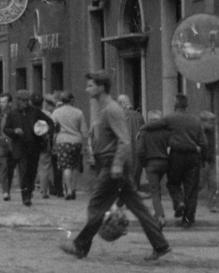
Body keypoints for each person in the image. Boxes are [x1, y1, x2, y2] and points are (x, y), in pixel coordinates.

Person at [61, 70, 171, 261]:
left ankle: (80, 246)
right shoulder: (103, 109)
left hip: (112, 165)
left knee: (96, 205)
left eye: (90, 86)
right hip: (111, 164)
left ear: (101, 87)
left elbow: (124, 140)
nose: (87, 90)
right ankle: (160, 245)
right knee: (137, 207)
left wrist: (117, 165)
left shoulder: (112, 109)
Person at [163, 93, 207, 228]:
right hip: (193, 156)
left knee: (173, 183)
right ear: (187, 106)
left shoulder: (169, 119)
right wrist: (203, 159)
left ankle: (179, 201)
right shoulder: (196, 120)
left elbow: (158, 131)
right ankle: (188, 220)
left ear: (175, 105)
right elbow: (204, 142)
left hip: (176, 155)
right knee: (191, 189)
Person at [2, 92, 52, 206]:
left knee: (32, 172)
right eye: (23, 101)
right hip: (20, 147)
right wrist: (14, 131)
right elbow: (6, 129)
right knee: (23, 172)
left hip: (34, 146)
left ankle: (29, 191)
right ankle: (26, 197)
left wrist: (46, 132)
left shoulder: (35, 111)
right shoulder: (13, 113)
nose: (25, 103)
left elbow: (49, 122)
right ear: (18, 101)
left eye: (27, 101)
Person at [139, 108, 172, 224]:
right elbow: (170, 147)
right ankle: (157, 212)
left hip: (151, 164)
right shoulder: (166, 132)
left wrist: (144, 163)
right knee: (158, 189)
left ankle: (160, 216)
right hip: (164, 163)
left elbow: (139, 151)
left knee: (154, 191)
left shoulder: (144, 132)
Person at [51, 91, 86, 199]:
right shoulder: (79, 112)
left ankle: (69, 190)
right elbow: (84, 130)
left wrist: (53, 142)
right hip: (76, 141)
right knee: (75, 165)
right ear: (72, 100)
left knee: (66, 166)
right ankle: (74, 188)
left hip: (62, 141)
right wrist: (85, 144)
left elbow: (53, 128)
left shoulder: (56, 113)